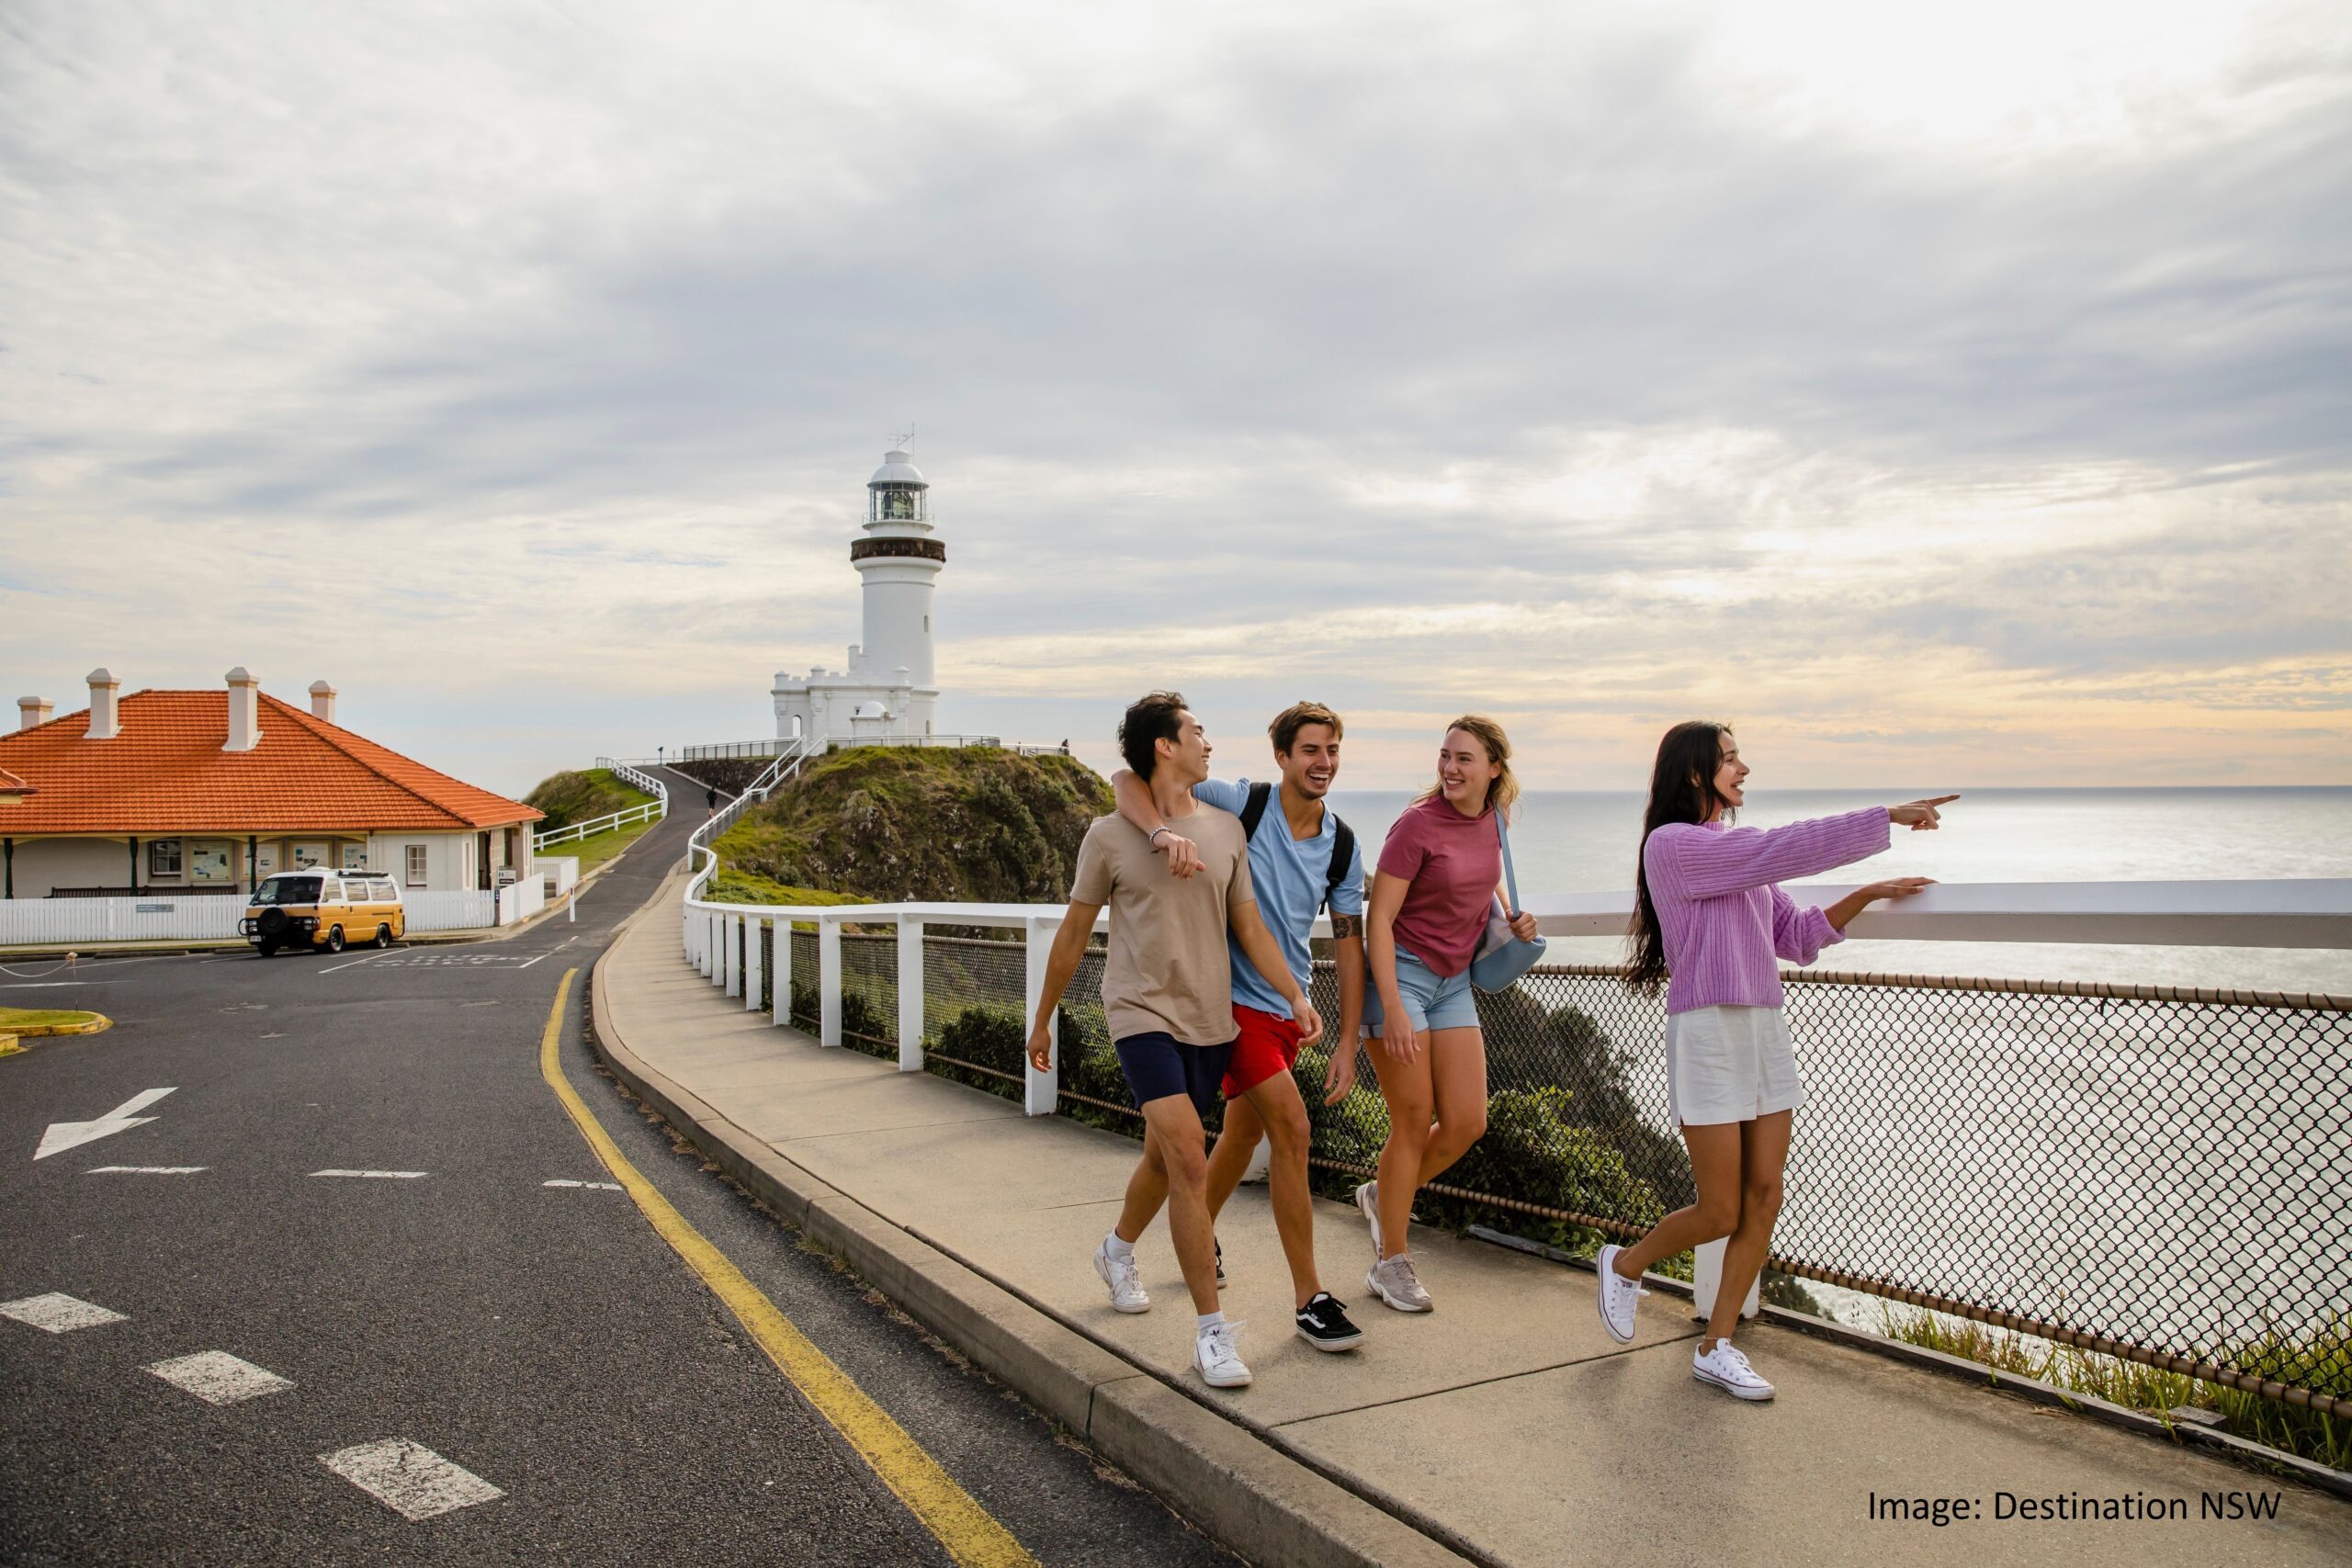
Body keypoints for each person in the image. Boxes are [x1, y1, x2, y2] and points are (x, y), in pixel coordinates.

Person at [1596, 721, 1953, 1400]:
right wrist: (1885, 816)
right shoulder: (1673, 847)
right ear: (1696, 771)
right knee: (1721, 1207)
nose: (1744, 769)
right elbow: (1781, 848)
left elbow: (1798, 935)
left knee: (1766, 1194)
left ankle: (1717, 1344)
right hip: (1707, 1032)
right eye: (1730, 758)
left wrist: (1869, 893)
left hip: (1763, 1028)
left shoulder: (1741, 862)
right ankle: (1626, 1263)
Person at [1026, 693, 1323, 1389]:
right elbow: (1074, 933)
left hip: (1210, 1019)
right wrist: (1042, 1017)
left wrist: (1295, 994)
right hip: (1139, 1015)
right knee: (1192, 1158)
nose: (1207, 742)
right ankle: (1211, 1334)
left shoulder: (1224, 829)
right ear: (1164, 745)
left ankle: (1116, 1247)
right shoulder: (1108, 836)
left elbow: (1249, 927)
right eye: (1196, 731)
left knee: (1164, 1161)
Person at [1110, 700, 1368, 1353]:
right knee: (1292, 1125)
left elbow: (1349, 942)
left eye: (1332, 750)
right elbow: (1129, 781)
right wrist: (1161, 834)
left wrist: (1345, 1037)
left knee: (1227, 1136)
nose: (1323, 762)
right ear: (1282, 756)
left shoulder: (1342, 843)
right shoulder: (1239, 803)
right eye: (1310, 750)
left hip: (1289, 1005)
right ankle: (1309, 1298)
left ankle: (1160, 1236)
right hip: (1229, 1005)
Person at [1352, 716, 1538, 1312]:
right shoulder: (1416, 824)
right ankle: (1392, 1262)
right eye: (1445, 756)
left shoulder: (1497, 821)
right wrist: (1396, 1005)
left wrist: (1514, 920)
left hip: (1454, 980)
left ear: (1494, 769)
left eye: (1464, 759)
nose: (1451, 768)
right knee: (1412, 1121)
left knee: (1466, 1122)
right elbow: (1377, 918)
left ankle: (1384, 1196)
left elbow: (1479, 887)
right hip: (1400, 974)